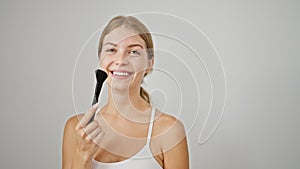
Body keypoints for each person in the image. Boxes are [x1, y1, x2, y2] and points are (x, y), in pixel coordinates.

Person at [62, 15, 189, 169]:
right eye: (111, 49)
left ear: (150, 63)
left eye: (134, 52)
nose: (121, 60)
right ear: (100, 59)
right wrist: (82, 156)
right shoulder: (76, 128)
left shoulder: (169, 130)